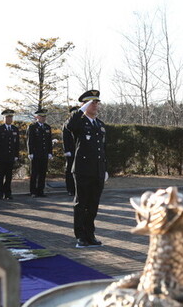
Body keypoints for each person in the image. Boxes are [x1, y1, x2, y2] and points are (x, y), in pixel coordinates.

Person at [66, 90, 108, 248]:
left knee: (93, 205)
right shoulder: (79, 123)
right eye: (93, 102)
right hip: (83, 170)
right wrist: (81, 110)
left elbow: (104, 149)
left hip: (97, 170)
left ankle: (90, 234)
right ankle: (80, 236)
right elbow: (69, 125)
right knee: (81, 204)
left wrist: (105, 169)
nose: (96, 105)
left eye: (97, 102)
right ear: (85, 105)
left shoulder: (100, 125)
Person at [0, 109, 20, 200]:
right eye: (7, 117)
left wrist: (16, 155)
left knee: (8, 176)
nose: (9, 119)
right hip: (1, 156)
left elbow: (17, 144)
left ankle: (7, 193)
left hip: (10, 156)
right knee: (0, 176)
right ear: (3, 118)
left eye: (11, 117)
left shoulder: (15, 129)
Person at [27, 108, 53, 197]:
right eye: (41, 116)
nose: (43, 118)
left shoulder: (47, 127)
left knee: (42, 173)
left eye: (44, 116)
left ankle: (40, 191)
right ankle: (33, 191)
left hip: (44, 153)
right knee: (34, 173)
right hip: (35, 153)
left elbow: (49, 141)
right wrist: (30, 152)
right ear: (37, 117)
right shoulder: (32, 127)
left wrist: (50, 152)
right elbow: (30, 141)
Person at [62, 106, 79, 196]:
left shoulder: (80, 123)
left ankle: (76, 189)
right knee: (69, 170)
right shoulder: (67, 124)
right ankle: (70, 189)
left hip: (78, 151)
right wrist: (66, 150)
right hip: (70, 151)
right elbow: (65, 138)